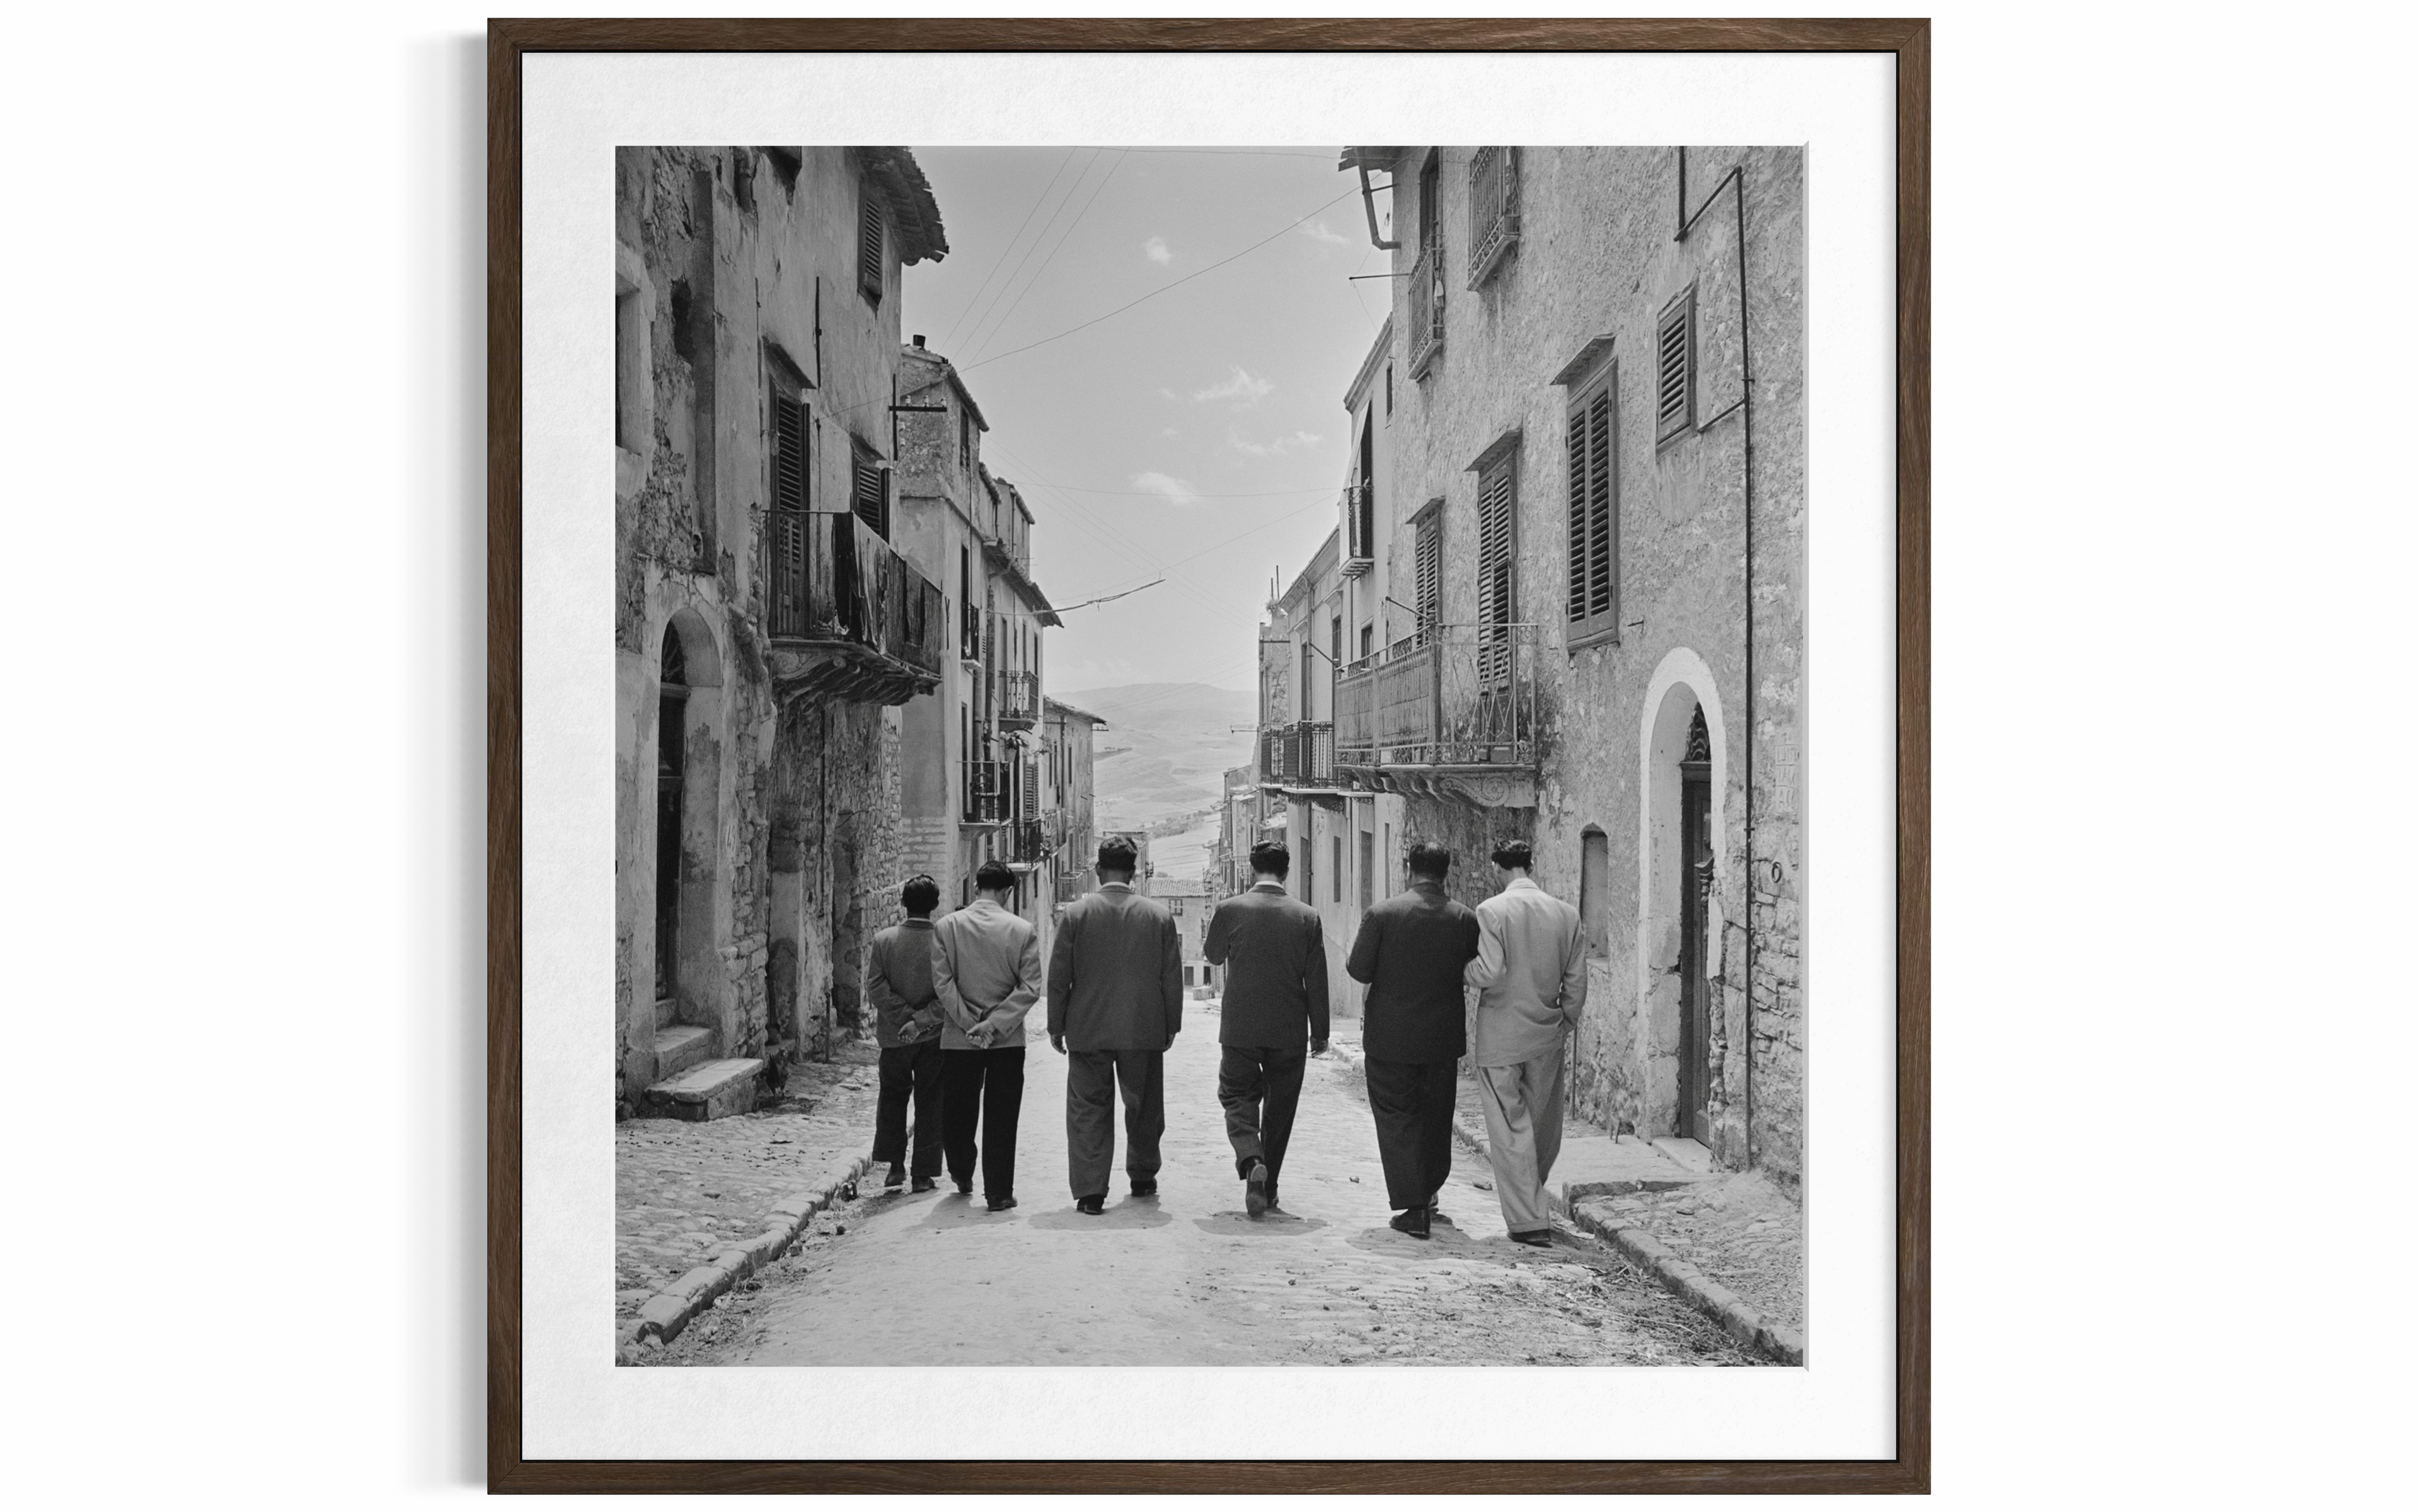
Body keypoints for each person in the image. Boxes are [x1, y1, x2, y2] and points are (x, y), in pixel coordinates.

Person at [1345, 841, 1480, 1240]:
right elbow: (1476, 966)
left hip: (1390, 1038)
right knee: (1436, 1116)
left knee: (1396, 1117)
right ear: (1446, 872)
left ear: (1409, 868)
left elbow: (1358, 969)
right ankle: (1430, 1189)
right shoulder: (1463, 918)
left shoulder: (1382, 915)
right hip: (1441, 1039)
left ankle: (1414, 1205)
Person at [1045, 836, 1183, 1214]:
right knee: (1144, 1106)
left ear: (1098, 870)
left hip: (1087, 1029)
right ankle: (1142, 1176)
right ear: (1134, 872)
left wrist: (1056, 1025)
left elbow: (1059, 976)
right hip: (1143, 1027)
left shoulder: (1076, 915)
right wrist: (1171, 1025)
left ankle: (1091, 1192)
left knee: (1088, 1108)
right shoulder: (1158, 916)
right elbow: (1171, 977)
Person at [1463, 839, 1589, 1247]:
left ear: (1498, 868)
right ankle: (1532, 1199)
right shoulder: (1565, 914)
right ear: (1530, 865)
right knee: (1542, 1126)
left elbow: (1488, 970)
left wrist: (1461, 970)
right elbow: (1575, 980)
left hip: (1500, 1036)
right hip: (1546, 1032)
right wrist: (1566, 1020)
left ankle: (1527, 1221)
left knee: (1509, 1127)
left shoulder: (1491, 911)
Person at [1202, 840, 1328, 1218]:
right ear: (1286, 871)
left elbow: (1213, 955)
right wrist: (1319, 1033)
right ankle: (1268, 1188)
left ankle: (1250, 1157)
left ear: (1251, 870)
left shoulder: (1229, 909)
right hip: (1289, 1029)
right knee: (1280, 1109)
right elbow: (1317, 979)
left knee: (1237, 1095)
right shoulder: (1307, 916)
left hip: (1240, 1027)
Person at [933, 859, 1044, 1213]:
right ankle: (998, 1192)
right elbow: (1030, 988)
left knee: (957, 1111)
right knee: (1002, 1115)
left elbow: (943, 983)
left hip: (959, 1038)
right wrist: (993, 1025)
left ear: (977, 886)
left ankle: (962, 1173)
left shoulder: (946, 927)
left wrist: (969, 1023)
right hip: (1006, 1041)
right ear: (1008, 892)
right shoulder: (1022, 930)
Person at [865, 874, 948, 1193]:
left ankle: (895, 1166)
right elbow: (948, 993)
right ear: (935, 905)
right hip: (933, 1038)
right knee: (931, 1102)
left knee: (893, 1099)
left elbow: (875, 986)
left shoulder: (884, 940)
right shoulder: (944, 942)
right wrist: (921, 1021)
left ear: (903, 903)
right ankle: (923, 1174)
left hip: (894, 1037)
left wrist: (904, 1021)